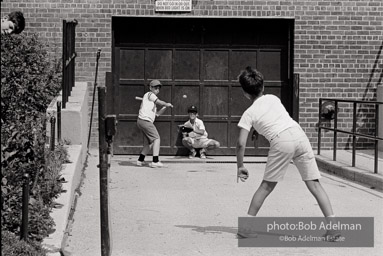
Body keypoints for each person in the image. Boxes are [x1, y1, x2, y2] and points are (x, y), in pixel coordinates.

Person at [236, 66, 340, 241]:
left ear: (245, 94)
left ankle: (246, 227)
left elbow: (240, 143)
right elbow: (273, 116)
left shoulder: (249, 113)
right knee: (314, 184)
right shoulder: (273, 98)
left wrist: (240, 166)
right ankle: (333, 228)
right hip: (299, 134)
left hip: (281, 140)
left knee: (266, 186)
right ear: (263, 87)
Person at [137, 80, 173, 168]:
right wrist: (166, 103)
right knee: (157, 138)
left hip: (142, 121)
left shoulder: (151, 104)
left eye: (158, 88)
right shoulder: (149, 94)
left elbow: (157, 114)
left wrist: (165, 107)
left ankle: (140, 160)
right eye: (155, 88)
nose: (157, 90)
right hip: (145, 121)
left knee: (150, 142)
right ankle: (155, 161)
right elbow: (159, 101)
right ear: (150, 88)